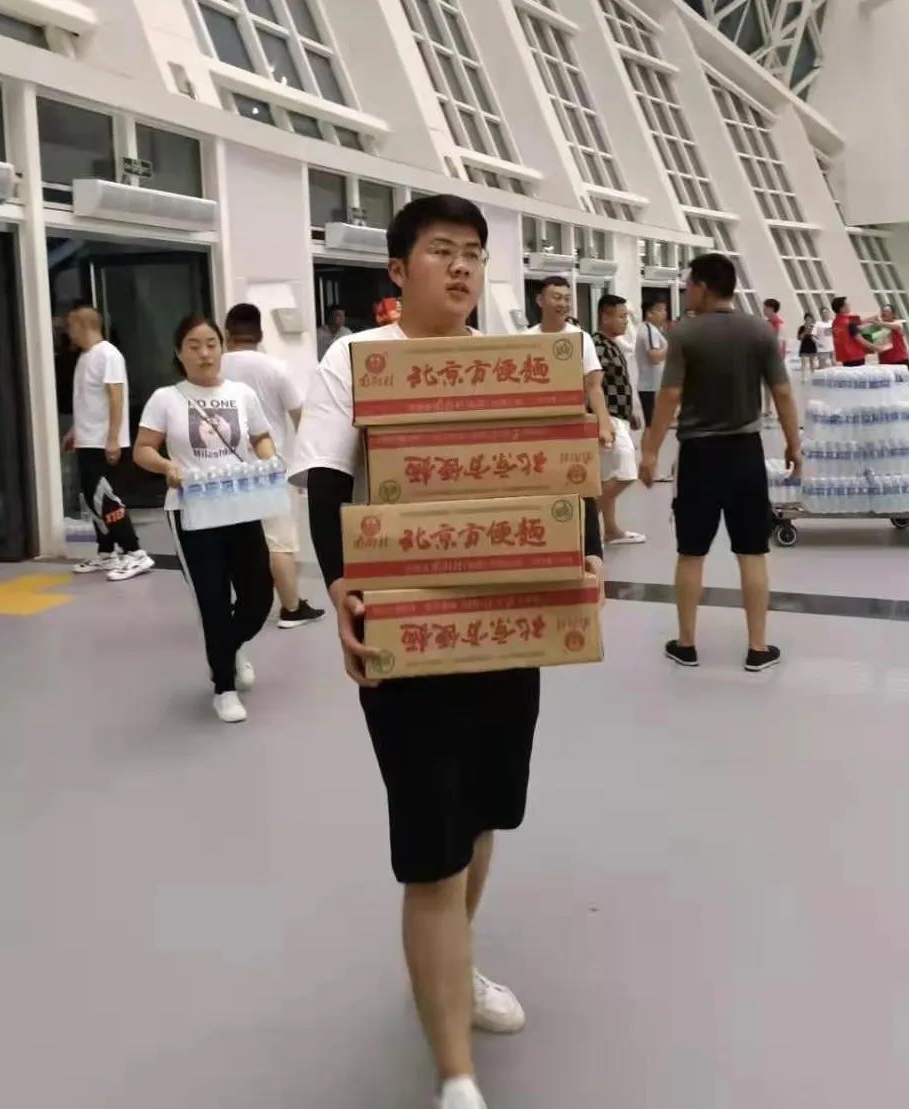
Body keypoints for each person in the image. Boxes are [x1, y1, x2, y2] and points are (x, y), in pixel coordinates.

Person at [288, 194, 605, 1109]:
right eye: (441, 251)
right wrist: (343, 588)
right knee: (431, 846)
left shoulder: (511, 363)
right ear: (398, 270)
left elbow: (558, 464)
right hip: (409, 629)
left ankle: (451, 963)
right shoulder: (357, 359)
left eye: (473, 252)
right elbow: (327, 480)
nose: (462, 266)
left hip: (507, 624)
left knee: (483, 815)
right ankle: (456, 1072)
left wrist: (582, 552)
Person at [639, 253, 802, 672]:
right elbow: (783, 391)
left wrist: (650, 450)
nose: (686, 292)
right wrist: (793, 444)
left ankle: (687, 644)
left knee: (691, 552)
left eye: (689, 285)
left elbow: (670, 395)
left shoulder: (685, 334)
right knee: (752, 552)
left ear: (703, 287)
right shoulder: (760, 330)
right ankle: (758, 648)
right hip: (746, 453)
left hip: (699, 456)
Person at [134, 315, 276, 724]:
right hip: (192, 510)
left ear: (222, 347)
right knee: (212, 599)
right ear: (179, 353)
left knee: (258, 596)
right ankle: (224, 687)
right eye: (193, 345)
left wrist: (269, 460)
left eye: (212, 343)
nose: (204, 353)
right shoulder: (166, 398)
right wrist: (166, 466)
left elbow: (261, 437)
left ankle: (227, 648)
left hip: (240, 504)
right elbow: (143, 449)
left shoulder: (242, 394)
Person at [221, 303, 325, 629]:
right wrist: (308, 465)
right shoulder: (277, 368)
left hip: (225, 470)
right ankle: (291, 608)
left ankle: (243, 603)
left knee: (238, 542)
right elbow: (301, 418)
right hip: (270, 467)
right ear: (260, 333)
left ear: (226, 334)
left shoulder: (215, 369)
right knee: (279, 543)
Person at [62, 305, 154, 581]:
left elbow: (116, 396)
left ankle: (135, 552)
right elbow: (87, 401)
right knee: (91, 500)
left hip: (104, 443)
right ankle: (107, 552)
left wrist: (113, 438)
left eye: (71, 326)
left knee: (106, 500)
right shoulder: (84, 358)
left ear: (83, 325)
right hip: (87, 440)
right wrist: (74, 431)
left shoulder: (108, 355)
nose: (68, 332)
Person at [526, 275, 614, 449]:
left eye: (567, 299)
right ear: (540, 300)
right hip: (536, 423)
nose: (563, 304)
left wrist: (604, 423)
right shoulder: (525, 339)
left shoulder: (581, 337)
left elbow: (593, 385)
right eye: (557, 298)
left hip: (573, 420)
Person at [593, 293, 645, 545]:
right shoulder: (597, 346)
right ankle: (585, 522)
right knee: (626, 472)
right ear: (605, 317)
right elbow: (594, 386)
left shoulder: (612, 344)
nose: (626, 321)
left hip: (619, 416)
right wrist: (604, 420)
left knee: (607, 476)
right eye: (622, 316)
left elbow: (617, 382)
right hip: (608, 419)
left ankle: (611, 530)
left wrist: (629, 411)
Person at [875, 304, 909, 399]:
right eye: (883, 311)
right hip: (885, 361)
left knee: (907, 384)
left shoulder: (897, 323)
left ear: (893, 315)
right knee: (891, 386)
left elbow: (897, 327)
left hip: (900, 360)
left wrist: (880, 323)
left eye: (887, 311)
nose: (884, 313)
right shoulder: (878, 328)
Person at [636, 299, 668, 427]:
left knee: (653, 426)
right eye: (659, 310)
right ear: (649, 313)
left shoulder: (654, 330)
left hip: (653, 386)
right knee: (652, 426)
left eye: (664, 310)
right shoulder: (649, 330)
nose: (664, 313)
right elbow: (654, 357)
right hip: (650, 387)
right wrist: (674, 346)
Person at [831, 296, 879, 367]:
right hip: (856, 356)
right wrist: (877, 348)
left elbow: (857, 323)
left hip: (845, 357)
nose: (849, 305)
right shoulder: (849, 323)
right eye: (847, 304)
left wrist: (870, 319)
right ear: (842, 309)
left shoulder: (835, 322)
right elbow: (861, 341)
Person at [762, 298, 785, 422]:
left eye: (765, 307)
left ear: (772, 309)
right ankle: (767, 409)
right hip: (765, 357)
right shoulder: (766, 323)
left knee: (777, 386)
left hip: (776, 358)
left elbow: (780, 343)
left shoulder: (780, 324)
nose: (764, 310)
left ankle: (781, 412)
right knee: (766, 385)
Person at [797, 312, 819, 381]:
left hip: (812, 347)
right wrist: (805, 332)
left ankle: (813, 377)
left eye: (810, 319)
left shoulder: (814, 327)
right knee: (803, 363)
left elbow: (817, 338)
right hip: (804, 347)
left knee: (812, 363)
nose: (808, 320)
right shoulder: (801, 328)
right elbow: (799, 338)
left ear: (812, 319)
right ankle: (803, 377)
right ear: (805, 319)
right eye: (807, 319)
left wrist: (812, 334)